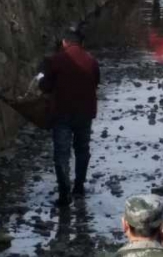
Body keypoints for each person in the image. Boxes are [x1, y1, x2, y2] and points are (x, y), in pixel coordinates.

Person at [39, 26, 100, 206]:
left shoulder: (55, 61)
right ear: (82, 43)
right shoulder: (91, 61)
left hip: (61, 113)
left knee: (61, 153)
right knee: (82, 150)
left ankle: (64, 194)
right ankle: (79, 187)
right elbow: (95, 82)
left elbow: (44, 86)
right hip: (85, 113)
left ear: (64, 42)